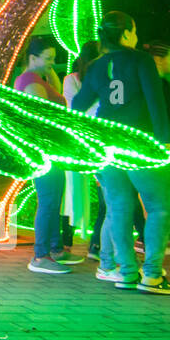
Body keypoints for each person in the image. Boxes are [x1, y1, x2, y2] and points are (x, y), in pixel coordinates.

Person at [71, 11, 170, 295]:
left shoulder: (96, 66)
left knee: (119, 209)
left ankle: (127, 272)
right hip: (141, 143)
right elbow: (156, 102)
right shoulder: (141, 60)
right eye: (134, 31)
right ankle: (153, 276)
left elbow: (78, 106)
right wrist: (164, 143)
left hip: (108, 146)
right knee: (158, 208)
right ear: (125, 35)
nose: (137, 36)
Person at [14, 36, 79, 274]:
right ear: (33, 58)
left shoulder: (35, 78)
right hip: (45, 151)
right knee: (49, 201)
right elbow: (43, 118)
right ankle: (40, 255)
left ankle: (54, 249)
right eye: (48, 58)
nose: (53, 62)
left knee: (52, 200)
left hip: (49, 151)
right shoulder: (29, 81)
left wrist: (49, 71)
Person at [62, 41, 100, 259]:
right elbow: (76, 108)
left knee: (106, 191)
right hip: (77, 142)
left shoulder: (103, 78)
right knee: (71, 192)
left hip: (100, 140)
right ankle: (66, 241)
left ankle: (96, 243)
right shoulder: (72, 80)